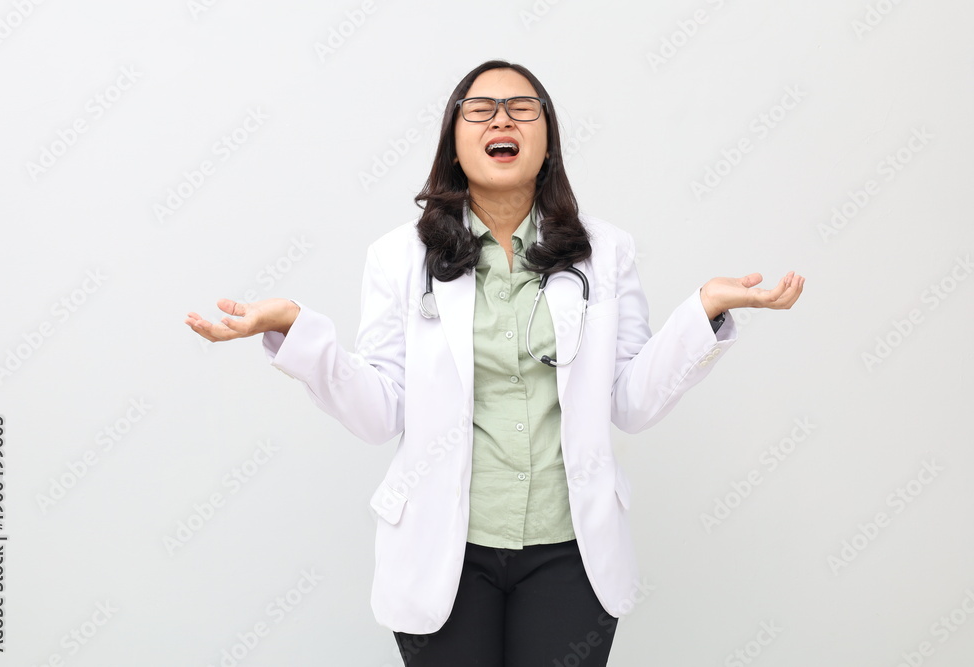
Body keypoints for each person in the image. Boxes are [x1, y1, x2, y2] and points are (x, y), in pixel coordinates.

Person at [185, 59, 804, 666]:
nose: (502, 120)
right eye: (480, 110)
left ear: (547, 139)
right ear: (454, 142)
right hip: (444, 550)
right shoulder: (398, 258)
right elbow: (379, 414)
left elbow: (631, 401)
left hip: (571, 551)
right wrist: (297, 330)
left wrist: (703, 311)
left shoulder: (606, 252)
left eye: (522, 108)